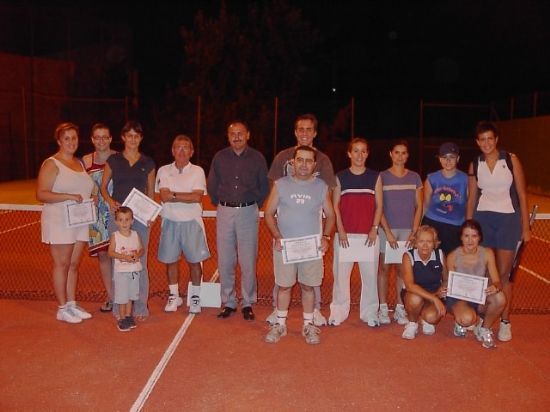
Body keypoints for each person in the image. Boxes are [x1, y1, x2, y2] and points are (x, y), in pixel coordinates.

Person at [267, 113, 337, 326]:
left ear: (314, 133)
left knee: (309, 281)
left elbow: (327, 198)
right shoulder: (282, 158)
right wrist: (278, 232)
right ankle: (278, 314)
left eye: (309, 129)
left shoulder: (323, 160)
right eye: (301, 129)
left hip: (311, 232)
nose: (305, 133)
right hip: (286, 234)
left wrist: (325, 234)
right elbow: (274, 196)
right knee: (283, 281)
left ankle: (312, 313)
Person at [467, 121, 530, 342]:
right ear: (477, 142)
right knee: (484, 274)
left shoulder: (511, 160)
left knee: (503, 276)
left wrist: (525, 228)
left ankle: (504, 321)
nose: (486, 143)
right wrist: (469, 226)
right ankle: (482, 317)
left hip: (508, 221)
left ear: (496, 140)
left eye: (490, 138)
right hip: (483, 220)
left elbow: (522, 195)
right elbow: (472, 197)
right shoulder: (475, 164)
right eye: (482, 139)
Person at [207, 120, 269, 321]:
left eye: (240, 133)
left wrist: (251, 205)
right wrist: (223, 203)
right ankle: (229, 301)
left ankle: (248, 302)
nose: (236, 137)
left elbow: (263, 188)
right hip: (224, 210)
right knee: (225, 260)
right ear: (228, 136)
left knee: (248, 259)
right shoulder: (219, 157)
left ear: (248, 135)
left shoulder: (257, 158)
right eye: (232, 133)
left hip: (248, 211)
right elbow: (212, 186)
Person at [36, 122, 94, 323]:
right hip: (59, 220)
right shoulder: (51, 163)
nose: (71, 142)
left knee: (74, 264)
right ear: (59, 140)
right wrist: (67, 196)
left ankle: (71, 304)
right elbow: (41, 193)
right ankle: (62, 308)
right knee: (62, 264)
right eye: (67, 138)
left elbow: (86, 189)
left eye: (74, 138)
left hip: (79, 220)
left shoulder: (79, 163)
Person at [100, 121, 155, 320]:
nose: (133, 139)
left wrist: (150, 215)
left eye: (136, 136)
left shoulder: (148, 163)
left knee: (140, 261)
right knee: (119, 262)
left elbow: (150, 193)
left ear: (141, 138)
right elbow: (104, 187)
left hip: (139, 220)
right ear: (123, 138)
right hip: (119, 219)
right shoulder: (113, 160)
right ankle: (119, 308)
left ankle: (140, 307)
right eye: (129, 135)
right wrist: (109, 201)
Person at [328, 137, 383, 327]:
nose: (360, 155)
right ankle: (338, 312)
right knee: (341, 277)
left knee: (369, 277)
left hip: (368, 237)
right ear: (349, 154)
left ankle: (369, 313)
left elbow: (379, 205)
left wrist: (374, 229)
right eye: (356, 151)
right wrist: (341, 231)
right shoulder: (340, 176)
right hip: (345, 237)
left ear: (367, 154)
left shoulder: (375, 177)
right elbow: (335, 206)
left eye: (363, 151)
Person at [156, 134, 210, 314]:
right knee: (170, 261)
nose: (181, 151)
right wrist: (183, 196)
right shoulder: (163, 170)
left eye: (185, 147)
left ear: (192, 152)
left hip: (191, 223)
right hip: (169, 221)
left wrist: (173, 195)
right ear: (172, 151)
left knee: (195, 262)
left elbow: (196, 197)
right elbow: (163, 195)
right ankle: (174, 296)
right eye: (177, 147)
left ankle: (195, 296)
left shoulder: (198, 171)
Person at [378, 140, 423, 325]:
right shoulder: (381, 177)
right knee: (383, 269)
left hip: (407, 231)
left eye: (404, 153)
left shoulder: (414, 177)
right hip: (386, 230)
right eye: (397, 152)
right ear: (391, 154)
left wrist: (414, 232)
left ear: (407, 155)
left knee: (402, 271)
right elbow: (378, 207)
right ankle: (382, 308)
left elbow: (419, 206)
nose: (400, 156)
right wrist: (387, 232)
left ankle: (399, 307)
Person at [446, 219, 505, 349]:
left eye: (474, 236)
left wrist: (495, 287)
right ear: (461, 237)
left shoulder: (487, 253)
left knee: (500, 298)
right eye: (466, 236)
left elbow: (497, 281)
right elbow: (449, 283)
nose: (470, 240)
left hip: (478, 296)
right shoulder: (452, 256)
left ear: (479, 238)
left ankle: (484, 329)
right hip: (458, 297)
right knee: (467, 319)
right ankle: (462, 321)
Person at [82, 123, 117, 312]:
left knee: (119, 255)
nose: (101, 141)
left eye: (105, 137)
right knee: (103, 255)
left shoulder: (118, 158)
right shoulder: (86, 161)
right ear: (92, 139)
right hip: (95, 216)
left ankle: (122, 295)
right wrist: (87, 196)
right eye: (98, 137)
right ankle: (111, 296)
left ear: (111, 139)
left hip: (115, 213)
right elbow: (78, 185)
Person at [401, 225, 447, 340]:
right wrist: (434, 299)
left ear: (435, 243)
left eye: (429, 241)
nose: (425, 245)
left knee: (432, 318)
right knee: (415, 299)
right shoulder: (408, 256)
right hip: (413, 294)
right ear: (415, 243)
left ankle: (425, 319)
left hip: (434, 293)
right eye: (421, 241)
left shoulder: (440, 255)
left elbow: (446, 279)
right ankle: (412, 323)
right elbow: (410, 286)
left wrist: (443, 289)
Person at [422, 142, 468, 255]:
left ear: (458, 158)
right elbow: (425, 204)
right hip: (433, 223)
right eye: (444, 157)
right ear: (440, 159)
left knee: (452, 262)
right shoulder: (431, 178)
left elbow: (468, 205)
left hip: (455, 227)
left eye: (451, 157)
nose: (448, 161)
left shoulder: (466, 180)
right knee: (431, 260)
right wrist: (418, 227)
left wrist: (467, 228)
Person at [107, 206, 144, 332]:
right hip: (121, 273)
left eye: (127, 219)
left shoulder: (135, 234)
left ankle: (128, 316)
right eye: (121, 220)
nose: (124, 223)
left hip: (134, 271)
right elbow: (110, 253)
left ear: (132, 221)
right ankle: (122, 319)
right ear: (116, 222)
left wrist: (137, 255)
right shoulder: (115, 236)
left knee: (130, 296)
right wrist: (123, 256)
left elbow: (141, 249)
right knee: (122, 297)